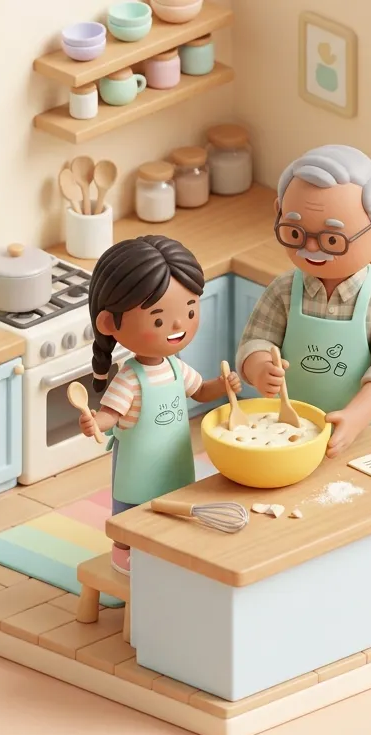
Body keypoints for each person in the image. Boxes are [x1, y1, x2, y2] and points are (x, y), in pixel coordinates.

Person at [236, 145, 371, 458]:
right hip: (290, 433)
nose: (311, 249)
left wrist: (356, 417)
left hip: (369, 439)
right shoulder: (283, 291)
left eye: (332, 240)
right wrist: (260, 368)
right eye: (295, 233)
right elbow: (256, 342)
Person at [80, 235, 242, 574]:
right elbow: (111, 414)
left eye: (190, 310)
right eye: (158, 320)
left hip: (175, 461)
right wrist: (96, 422)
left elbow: (200, 391)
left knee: (175, 506)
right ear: (111, 324)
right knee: (133, 514)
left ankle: (169, 549)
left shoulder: (175, 367)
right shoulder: (129, 378)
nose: (178, 326)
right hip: (138, 466)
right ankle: (125, 552)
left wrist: (224, 385)